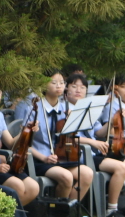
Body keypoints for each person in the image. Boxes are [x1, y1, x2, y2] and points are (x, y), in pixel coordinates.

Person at [65, 72, 125, 217]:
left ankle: (115, 207)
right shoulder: (64, 110)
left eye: (83, 87)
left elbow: (100, 133)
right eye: (74, 86)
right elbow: (69, 138)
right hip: (80, 154)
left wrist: (114, 120)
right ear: (66, 89)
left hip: (94, 153)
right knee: (121, 167)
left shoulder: (88, 108)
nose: (79, 90)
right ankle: (111, 209)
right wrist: (92, 142)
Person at [30, 71, 92, 202]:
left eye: (62, 83)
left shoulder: (66, 108)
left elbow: (72, 138)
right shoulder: (35, 108)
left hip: (63, 158)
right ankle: (58, 214)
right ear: (43, 85)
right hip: (40, 159)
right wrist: (44, 158)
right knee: (67, 177)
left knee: (87, 174)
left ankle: (70, 212)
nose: (59, 86)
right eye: (54, 82)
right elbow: (24, 143)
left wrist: (71, 123)